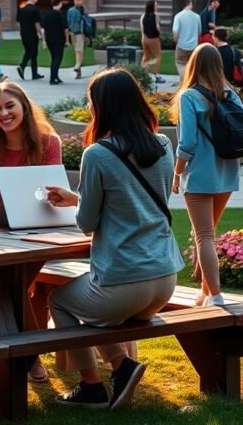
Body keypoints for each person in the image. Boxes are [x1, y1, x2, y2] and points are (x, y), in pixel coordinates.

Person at [46, 67, 182, 409]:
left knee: (59, 300)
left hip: (125, 280)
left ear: (102, 107)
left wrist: (80, 202)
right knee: (99, 307)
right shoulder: (164, 144)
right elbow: (135, 202)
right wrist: (77, 195)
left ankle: (92, 386)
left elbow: (87, 223)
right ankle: (121, 366)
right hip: (164, 279)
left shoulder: (98, 154)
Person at [0, 80, 62, 383]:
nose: (4, 113)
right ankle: (30, 356)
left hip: (39, 230)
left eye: (9, 106)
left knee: (22, 285)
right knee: (13, 284)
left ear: (23, 106)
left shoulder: (49, 143)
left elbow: (55, 192)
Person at [170, 43, 243, 306]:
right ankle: (204, 291)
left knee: (203, 235)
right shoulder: (231, 95)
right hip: (227, 172)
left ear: (194, 65)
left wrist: (177, 173)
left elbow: (187, 143)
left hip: (201, 174)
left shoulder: (189, 96)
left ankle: (215, 295)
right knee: (208, 232)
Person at [16, 0, 45, 81]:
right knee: (32, 52)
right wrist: (41, 35)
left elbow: (18, 23)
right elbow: (37, 24)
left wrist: (21, 33)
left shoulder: (21, 9)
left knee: (31, 52)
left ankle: (34, 73)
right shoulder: (34, 10)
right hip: (32, 34)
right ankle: (22, 66)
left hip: (24, 34)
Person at [172, 0, 201, 81]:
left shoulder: (178, 16)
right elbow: (199, 32)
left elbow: (175, 31)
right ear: (190, 4)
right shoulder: (197, 16)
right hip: (194, 46)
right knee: (192, 66)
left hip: (181, 45)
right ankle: (192, 82)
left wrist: (176, 41)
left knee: (181, 64)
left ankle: (184, 82)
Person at [42, 0, 67, 85]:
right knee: (57, 59)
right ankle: (53, 78)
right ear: (59, 4)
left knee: (54, 58)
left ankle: (56, 76)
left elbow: (43, 29)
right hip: (59, 39)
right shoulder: (60, 14)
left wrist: (44, 40)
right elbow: (65, 29)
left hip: (49, 39)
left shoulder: (46, 14)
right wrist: (67, 40)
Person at [140, 0, 164, 84]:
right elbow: (157, 27)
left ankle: (143, 74)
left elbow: (142, 29)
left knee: (146, 56)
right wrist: (160, 34)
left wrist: (144, 37)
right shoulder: (156, 16)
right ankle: (156, 74)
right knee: (158, 56)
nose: (157, 6)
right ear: (153, 7)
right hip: (154, 39)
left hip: (145, 39)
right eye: (156, 5)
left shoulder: (143, 16)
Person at [66, 0, 87, 79]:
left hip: (81, 33)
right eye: (76, 0)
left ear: (81, 1)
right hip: (73, 33)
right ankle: (78, 71)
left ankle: (77, 66)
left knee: (79, 50)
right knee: (77, 51)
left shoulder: (82, 10)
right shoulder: (70, 10)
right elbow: (68, 21)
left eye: (79, 0)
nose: (77, 2)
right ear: (74, 1)